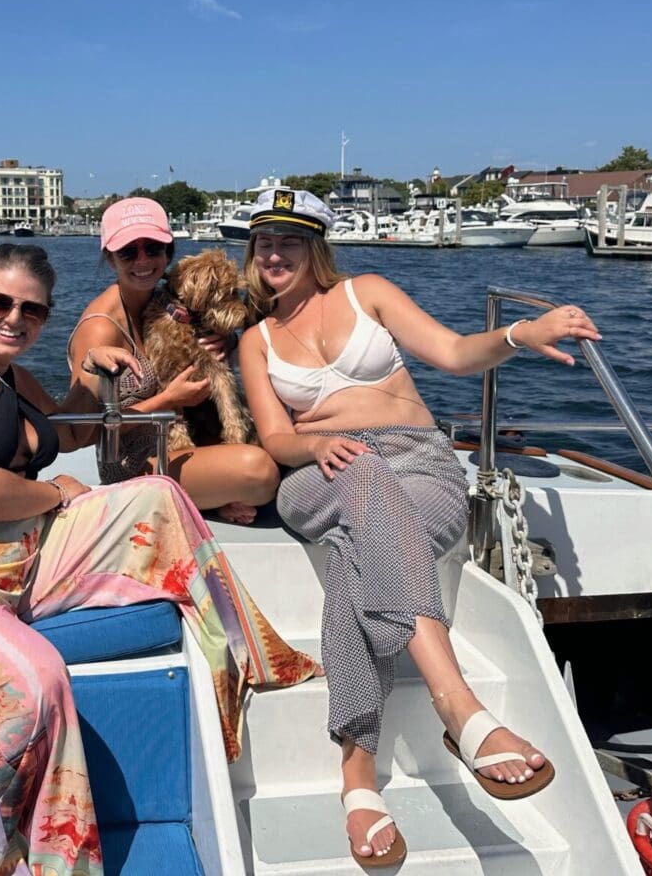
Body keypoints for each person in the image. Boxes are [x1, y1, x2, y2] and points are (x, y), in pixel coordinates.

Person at [0, 242, 318, 876]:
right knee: (37, 679)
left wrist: (97, 374)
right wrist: (53, 491)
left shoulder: (10, 378)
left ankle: (242, 659)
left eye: (32, 311)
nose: (13, 318)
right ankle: (2, 853)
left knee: (157, 495)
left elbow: (72, 430)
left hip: (11, 558)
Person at [237, 189, 600, 867]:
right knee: (361, 484)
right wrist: (315, 448)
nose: (273, 254)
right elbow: (276, 438)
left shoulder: (365, 291)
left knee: (352, 557)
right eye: (262, 243)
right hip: (317, 474)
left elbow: (457, 354)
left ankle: (357, 779)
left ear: (316, 247)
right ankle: (459, 709)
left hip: (420, 463)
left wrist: (523, 333)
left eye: (288, 240)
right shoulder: (254, 342)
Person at [66, 196, 279, 524]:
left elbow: (205, 331)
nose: (143, 260)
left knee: (277, 440)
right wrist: (168, 400)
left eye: (152, 248)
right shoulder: (100, 327)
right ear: (110, 259)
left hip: (181, 444)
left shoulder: (165, 302)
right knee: (260, 471)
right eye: (128, 252)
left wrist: (226, 338)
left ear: (168, 253)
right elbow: (82, 431)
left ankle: (207, 497)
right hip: (133, 463)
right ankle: (208, 500)